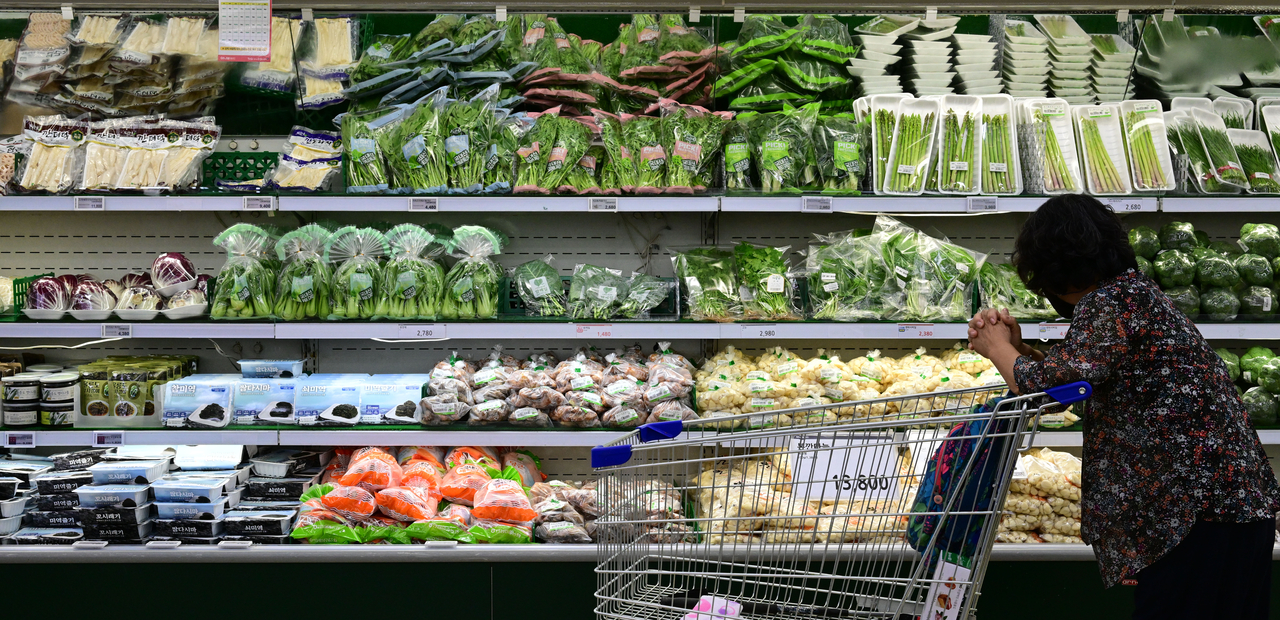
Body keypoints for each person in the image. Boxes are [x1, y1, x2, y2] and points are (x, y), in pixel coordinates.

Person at [966, 195, 1280, 620]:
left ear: (1054, 267)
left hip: (1194, 517)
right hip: (1225, 509)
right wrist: (1017, 351)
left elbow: (1048, 388)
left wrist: (995, 346)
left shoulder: (1111, 302)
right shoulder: (1134, 294)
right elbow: (1074, 382)